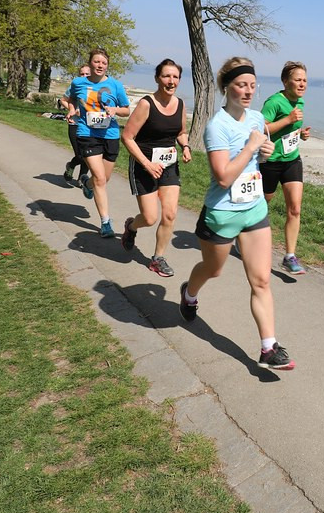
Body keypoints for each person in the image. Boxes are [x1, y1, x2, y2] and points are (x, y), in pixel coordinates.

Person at [180, 57, 294, 371]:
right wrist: (251, 146)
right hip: (222, 213)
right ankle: (189, 293)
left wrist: (265, 151)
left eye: (252, 86)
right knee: (213, 270)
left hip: (255, 208)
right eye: (241, 85)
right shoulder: (217, 126)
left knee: (261, 281)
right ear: (226, 87)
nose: (247, 92)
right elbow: (223, 177)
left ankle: (269, 348)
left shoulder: (257, 119)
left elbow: (260, 154)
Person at [120, 59, 192, 277]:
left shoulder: (179, 104)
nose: (171, 81)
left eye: (175, 77)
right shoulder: (146, 104)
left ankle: (157, 258)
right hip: (144, 164)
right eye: (166, 76)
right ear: (157, 78)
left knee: (169, 214)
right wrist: (147, 164)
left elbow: (180, 132)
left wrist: (186, 146)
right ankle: (131, 227)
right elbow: (128, 137)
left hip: (169, 164)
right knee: (150, 218)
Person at [63, 49, 131, 237]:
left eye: (103, 63)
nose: (100, 65)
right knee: (100, 179)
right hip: (87, 134)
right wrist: (72, 111)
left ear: (107, 65)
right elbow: (71, 100)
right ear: (90, 63)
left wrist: (115, 110)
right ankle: (105, 223)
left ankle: (87, 183)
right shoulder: (78, 83)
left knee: (103, 179)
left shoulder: (115, 85)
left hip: (110, 135)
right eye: (96, 62)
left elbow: (127, 110)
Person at [261, 61, 312, 276]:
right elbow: (260, 130)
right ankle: (243, 233)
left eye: (305, 80)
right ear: (285, 81)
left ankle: (289, 256)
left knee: (295, 208)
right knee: (262, 205)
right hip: (270, 161)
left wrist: (302, 135)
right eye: (298, 80)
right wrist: (288, 120)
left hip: (292, 160)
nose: (302, 84)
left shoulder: (299, 101)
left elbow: (290, 131)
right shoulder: (274, 102)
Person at [59, 64, 92, 187]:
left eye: (87, 74)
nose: (84, 76)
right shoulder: (76, 86)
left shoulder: (96, 88)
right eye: (82, 74)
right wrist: (72, 110)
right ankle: (71, 165)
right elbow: (63, 100)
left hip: (91, 125)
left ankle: (81, 179)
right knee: (80, 154)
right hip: (75, 123)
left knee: (88, 154)